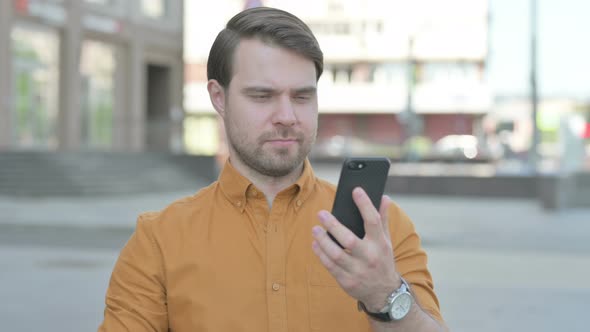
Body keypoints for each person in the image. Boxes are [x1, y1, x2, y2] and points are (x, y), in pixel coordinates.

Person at [98, 7, 447, 332]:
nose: (287, 116)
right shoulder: (159, 240)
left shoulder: (381, 230)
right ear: (219, 97)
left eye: (302, 97)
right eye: (262, 96)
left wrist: (385, 295)